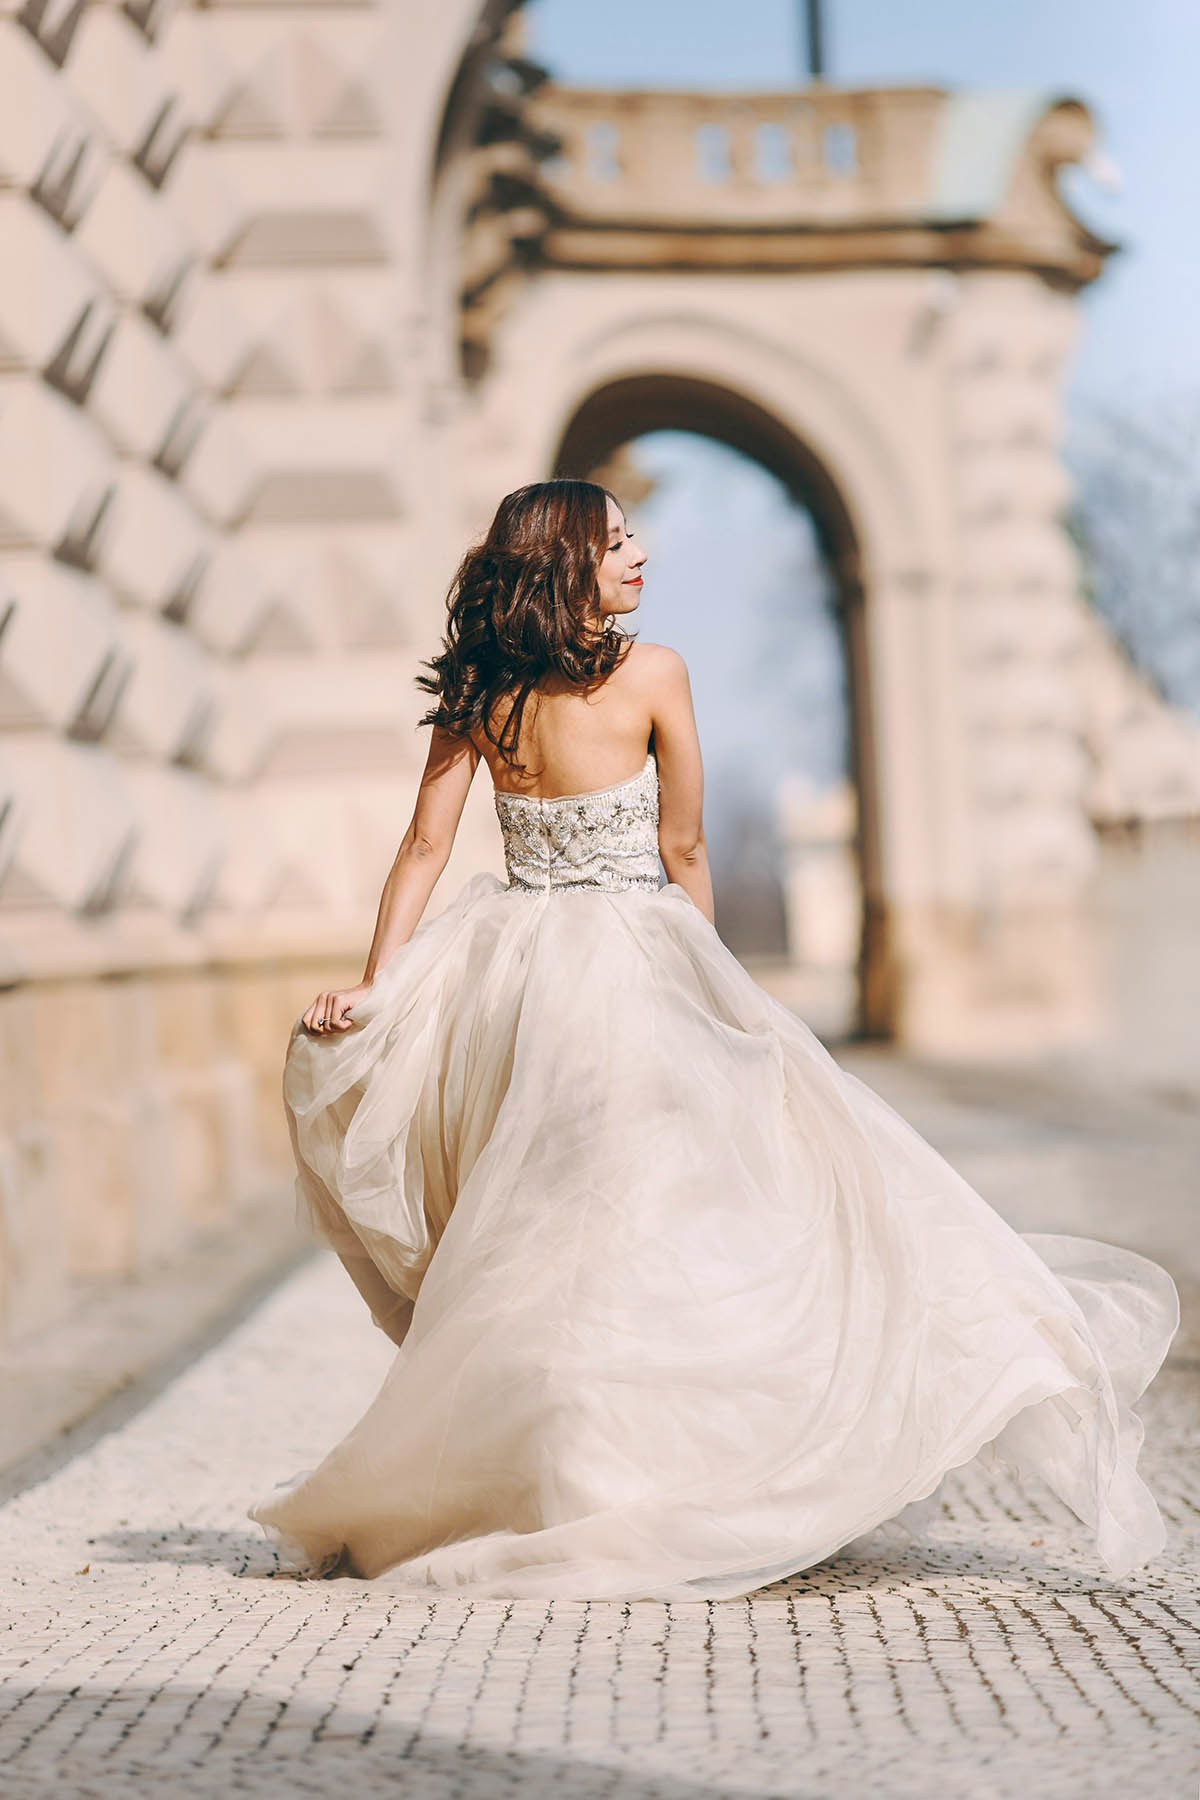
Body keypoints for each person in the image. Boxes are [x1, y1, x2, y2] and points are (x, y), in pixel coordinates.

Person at [248, 478, 1179, 1603]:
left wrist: (379, 984)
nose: (639, 553)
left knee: (547, 1227)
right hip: (633, 962)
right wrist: (715, 985)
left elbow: (422, 850)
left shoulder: (482, 692)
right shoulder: (655, 674)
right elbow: (684, 847)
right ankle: (660, 1472)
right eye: (616, 541)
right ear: (568, 562)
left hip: (516, 978)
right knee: (668, 1213)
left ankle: (573, 1472)